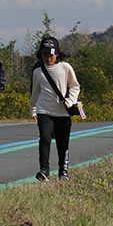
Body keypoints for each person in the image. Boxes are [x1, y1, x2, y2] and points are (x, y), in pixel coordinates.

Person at [30, 37, 80, 181]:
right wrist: (33, 109)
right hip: (44, 111)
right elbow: (35, 92)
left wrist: (70, 101)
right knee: (44, 138)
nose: (48, 58)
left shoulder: (66, 68)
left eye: (50, 55)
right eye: (45, 55)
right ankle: (44, 170)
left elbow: (75, 86)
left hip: (63, 113)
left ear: (57, 54)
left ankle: (63, 171)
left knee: (62, 142)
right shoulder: (38, 72)